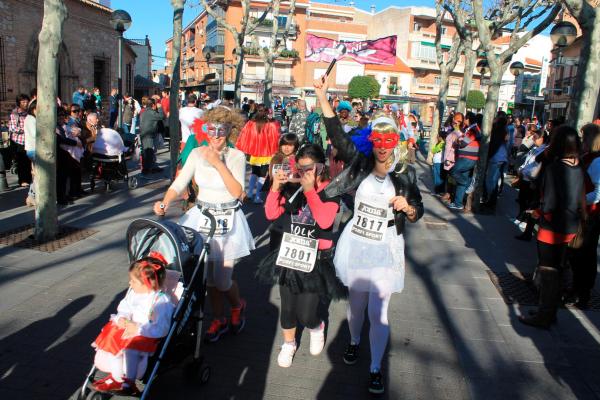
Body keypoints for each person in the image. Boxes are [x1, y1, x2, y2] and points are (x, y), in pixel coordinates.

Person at [315, 76, 424, 394]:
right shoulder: (360, 162)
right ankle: (353, 340)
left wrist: (408, 207)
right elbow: (336, 135)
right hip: (359, 241)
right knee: (357, 305)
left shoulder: (405, 173)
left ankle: (376, 368)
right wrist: (323, 96)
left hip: (386, 245)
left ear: (396, 142)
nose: (383, 146)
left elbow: (418, 209)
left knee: (379, 311)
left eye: (389, 140)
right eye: (378, 139)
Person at [153, 106, 253, 343]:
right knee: (208, 280)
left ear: (230, 131)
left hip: (228, 221)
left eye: (222, 129)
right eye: (212, 129)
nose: (216, 135)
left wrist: (219, 163)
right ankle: (218, 319)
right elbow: (180, 183)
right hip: (201, 217)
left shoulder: (237, 156)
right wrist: (165, 202)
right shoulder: (197, 153)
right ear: (205, 129)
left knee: (222, 280)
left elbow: (238, 192)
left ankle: (238, 306)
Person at [257, 144, 345, 368]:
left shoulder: (330, 189)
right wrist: (276, 187)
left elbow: (325, 220)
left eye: (310, 168)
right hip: (290, 254)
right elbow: (270, 213)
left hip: (316, 259)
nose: (304, 173)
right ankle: (288, 343)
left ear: (320, 168)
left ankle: (316, 327)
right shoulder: (292, 187)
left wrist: (310, 191)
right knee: (287, 307)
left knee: (305, 313)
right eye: (300, 168)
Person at [519, 126, 584, 329]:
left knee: (548, 270)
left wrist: (537, 213)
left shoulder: (555, 168)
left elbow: (549, 201)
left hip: (551, 226)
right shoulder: (578, 166)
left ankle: (544, 314)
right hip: (570, 225)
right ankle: (550, 311)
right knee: (558, 268)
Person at [91, 252, 174, 395]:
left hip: (146, 334)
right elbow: (124, 308)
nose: (130, 284)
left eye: (133, 281)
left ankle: (128, 382)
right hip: (129, 327)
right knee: (112, 336)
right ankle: (117, 378)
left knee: (130, 348)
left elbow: (162, 327)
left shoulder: (161, 301)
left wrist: (139, 329)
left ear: (149, 283)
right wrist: (122, 318)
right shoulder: (134, 294)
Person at [566, 123, 600, 308]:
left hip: (590, 216)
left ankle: (582, 293)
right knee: (576, 255)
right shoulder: (588, 157)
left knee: (584, 256)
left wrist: (577, 200)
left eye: (583, 137)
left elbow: (598, 193)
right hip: (582, 214)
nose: (581, 141)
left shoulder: (597, 161)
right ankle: (576, 289)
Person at [236, 104, 280, 203]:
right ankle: (257, 196)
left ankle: (251, 192)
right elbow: (276, 138)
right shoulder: (272, 124)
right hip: (267, 153)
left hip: (254, 153)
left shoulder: (251, 123)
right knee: (263, 174)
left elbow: (244, 135)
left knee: (254, 172)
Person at [266, 133, 300, 251]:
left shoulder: (298, 160)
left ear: (295, 147)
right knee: (277, 227)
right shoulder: (275, 159)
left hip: (293, 197)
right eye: (284, 144)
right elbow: (271, 178)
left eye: (290, 145)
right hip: (278, 196)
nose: (287, 148)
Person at [448, 112, 481, 211]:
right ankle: (458, 204)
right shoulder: (471, 129)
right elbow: (461, 141)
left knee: (453, 171)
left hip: (468, 158)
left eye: (465, 119)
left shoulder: (474, 129)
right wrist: (460, 140)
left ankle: (467, 184)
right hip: (466, 157)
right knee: (461, 178)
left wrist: (459, 139)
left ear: (468, 119)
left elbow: (462, 143)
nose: (463, 121)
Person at [482, 116, 509, 213]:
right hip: (501, 158)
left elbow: (494, 145)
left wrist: (488, 155)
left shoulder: (497, 131)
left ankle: (490, 200)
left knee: (490, 180)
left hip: (495, 158)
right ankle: (492, 201)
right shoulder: (504, 131)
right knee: (494, 180)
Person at [8, 94, 32, 187]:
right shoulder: (15, 114)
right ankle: (22, 180)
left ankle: (29, 178)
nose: (25, 104)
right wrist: (26, 129)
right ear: (19, 103)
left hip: (29, 139)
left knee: (29, 160)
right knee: (21, 161)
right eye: (23, 102)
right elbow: (13, 128)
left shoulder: (29, 112)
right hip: (19, 141)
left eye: (26, 101)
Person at [139, 98, 164, 174]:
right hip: (148, 135)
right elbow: (161, 116)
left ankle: (150, 167)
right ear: (153, 105)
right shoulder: (151, 112)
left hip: (144, 134)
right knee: (148, 152)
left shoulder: (144, 112)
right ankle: (147, 170)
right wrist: (159, 108)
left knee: (146, 152)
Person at [23, 101, 37, 206]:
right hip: (34, 149)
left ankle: (31, 196)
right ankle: (32, 196)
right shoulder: (30, 119)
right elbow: (34, 134)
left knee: (37, 175)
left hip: (34, 149)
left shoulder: (32, 119)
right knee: (38, 175)